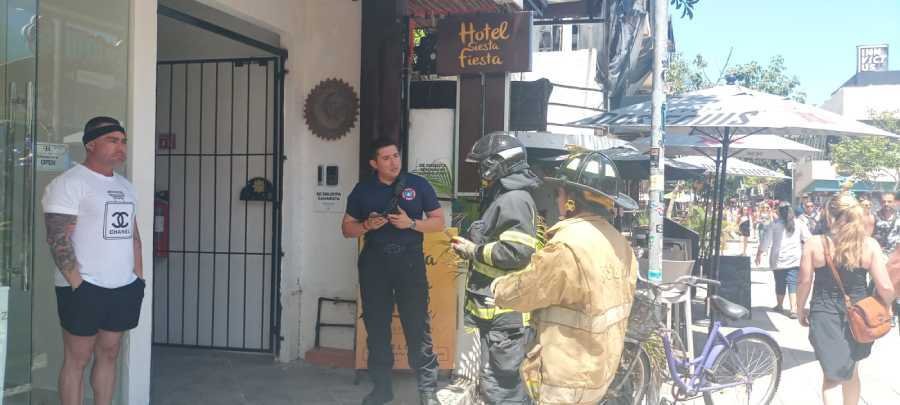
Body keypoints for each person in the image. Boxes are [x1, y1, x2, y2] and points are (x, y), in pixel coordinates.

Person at [491, 151, 639, 404]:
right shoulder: (620, 244)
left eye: (559, 193)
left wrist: (498, 287)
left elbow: (525, 291)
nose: (557, 200)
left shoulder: (568, 246)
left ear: (572, 200)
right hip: (600, 373)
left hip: (566, 379)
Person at [42, 117, 144, 405]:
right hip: (83, 286)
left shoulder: (126, 186)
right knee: (78, 358)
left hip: (123, 284)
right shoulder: (69, 183)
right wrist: (78, 284)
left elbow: (133, 236)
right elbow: (57, 238)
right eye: (112, 140)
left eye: (123, 141)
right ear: (90, 144)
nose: (120, 147)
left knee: (110, 353)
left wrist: (138, 277)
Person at [341, 137, 445, 405]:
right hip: (375, 264)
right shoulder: (362, 190)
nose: (393, 162)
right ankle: (382, 390)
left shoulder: (418, 185)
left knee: (417, 326)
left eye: (396, 156)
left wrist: (411, 224)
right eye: (386, 158)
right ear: (374, 163)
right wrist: (367, 225)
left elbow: (438, 222)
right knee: (376, 328)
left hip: (409, 264)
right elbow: (347, 229)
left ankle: (427, 391)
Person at [450, 132, 542, 404]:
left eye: (482, 164)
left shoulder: (513, 200)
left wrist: (473, 250)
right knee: (496, 383)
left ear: (497, 163)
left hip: (506, 315)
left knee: (502, 386)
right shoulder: (502, 196)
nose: (480, 171)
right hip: (497, 314)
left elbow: (517, 252)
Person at [797, 192, 894, 405]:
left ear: (829, 216)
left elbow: (804, 282)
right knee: (852, 370)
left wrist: (800, 309)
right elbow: (885, 286)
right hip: (860, 314)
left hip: (824, 311)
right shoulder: (869, 245)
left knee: (832, 377)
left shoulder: (814, 244)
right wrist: (887, 307)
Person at [756, 202, 811, 319]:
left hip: (778, 259)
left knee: (780, 281)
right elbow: (808, 239)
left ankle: (780, 305)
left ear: (779, 212)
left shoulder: (774, 224)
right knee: (793, 282)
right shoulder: (799, 223)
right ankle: (793, 309)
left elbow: (766, 240)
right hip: (795, 258)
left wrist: (759, 253)